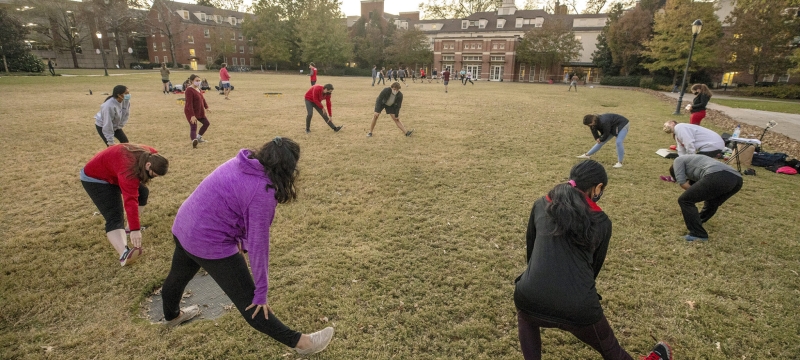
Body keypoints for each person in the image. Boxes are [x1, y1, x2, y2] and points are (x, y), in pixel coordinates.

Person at [161, 138, 335, 356]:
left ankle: (171, 316)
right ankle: (303, 343)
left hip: (184, 225)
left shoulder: (242, 162)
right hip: (209, 240)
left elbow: (233, 205)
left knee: (177, 277)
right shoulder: (262, 192)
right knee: (250, 303)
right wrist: (260, 292)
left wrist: (240, 241)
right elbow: (259, 246)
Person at [515, 160, 673, 360]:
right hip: (579, 306)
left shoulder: (540, 204)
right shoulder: (602, 222)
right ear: (598, 188)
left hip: (528, 295)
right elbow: (593, 268)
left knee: (527, 315)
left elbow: (531, 249)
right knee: (611, 350)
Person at [81, 144, 168, 266]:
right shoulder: (129, 170)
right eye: (152, 175)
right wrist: (135, 229)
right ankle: (124, 254)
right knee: (115, 216)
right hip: (96, 178)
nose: (152, 178)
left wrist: (132, 228)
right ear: (148, 165)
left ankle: (127, 230)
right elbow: (130, 201)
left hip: (113, 172)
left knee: (143, 193)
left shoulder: (150, 154)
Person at [669, 154, 743, 242]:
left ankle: (698, 234)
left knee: (685, 200)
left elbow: (682, 183)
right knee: (712, 202)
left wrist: (694, 192)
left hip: (718, 175)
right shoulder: (693, 161)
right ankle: (699, 220)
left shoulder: (678, 161)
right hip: (737, 179)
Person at [184, 74, 211, 148]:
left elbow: (203, 99)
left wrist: (207, 107)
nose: (198, 82)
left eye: (199, 80)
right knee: (193, 126)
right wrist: (192, 115)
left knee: (206, 123)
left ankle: (198, 137)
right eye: (197, 81)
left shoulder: (198, 89)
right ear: (192, 81)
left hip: (199, 111)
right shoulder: (189, 90)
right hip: (191, 111)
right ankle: (194, 140)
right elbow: (189, 104)